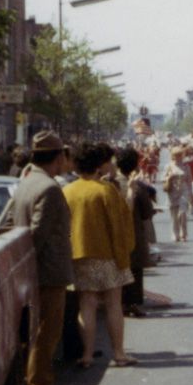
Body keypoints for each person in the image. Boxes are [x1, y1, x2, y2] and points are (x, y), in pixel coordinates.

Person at [7, 130, 76, 385]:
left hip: (32, 271)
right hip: (47, 272)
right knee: (46, 333)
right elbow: (38, 234)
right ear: (58, 157)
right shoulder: (48, 188)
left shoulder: (26, 182)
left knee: (36, 333)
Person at [64, 142, 137, 368]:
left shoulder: (67, 191)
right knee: (114, 304)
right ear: (98, 164)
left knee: (86, 304)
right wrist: (124, 255)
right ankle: (119, 353)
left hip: (79, 254)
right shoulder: (106, 191)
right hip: (107, 255)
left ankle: (87, 355)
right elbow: (120, 226)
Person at [116, 147, 156, 318]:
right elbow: (147, 213)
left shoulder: (109, 184)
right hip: (134, 234)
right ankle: (131, 303)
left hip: (114, 234)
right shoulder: (138, 187)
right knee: (135, 269)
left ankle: (118, 302)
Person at [162, 145, 192, 243]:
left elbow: (189, 180)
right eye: (176, 155)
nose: (178, 157)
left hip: (183, 190)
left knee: (182, 213)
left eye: (180, 155)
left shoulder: (186, 166)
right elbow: (163, 179)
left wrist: (191, 193)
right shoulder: (168, 166)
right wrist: (169, 177)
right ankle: (175, 233)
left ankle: (184, 233)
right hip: (172, 191)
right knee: (174, 215)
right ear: (173, 156)